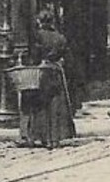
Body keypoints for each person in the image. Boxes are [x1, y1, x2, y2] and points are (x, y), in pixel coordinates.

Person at [18, 9, 77, 149]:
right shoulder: (60, 38)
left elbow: (33, 55)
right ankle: (54, 139)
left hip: (40, 72)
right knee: (54, 105)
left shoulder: (37, 36)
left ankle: (35, 137)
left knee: (36, 104)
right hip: (55, 72)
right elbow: (68, 58)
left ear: (39, 21)